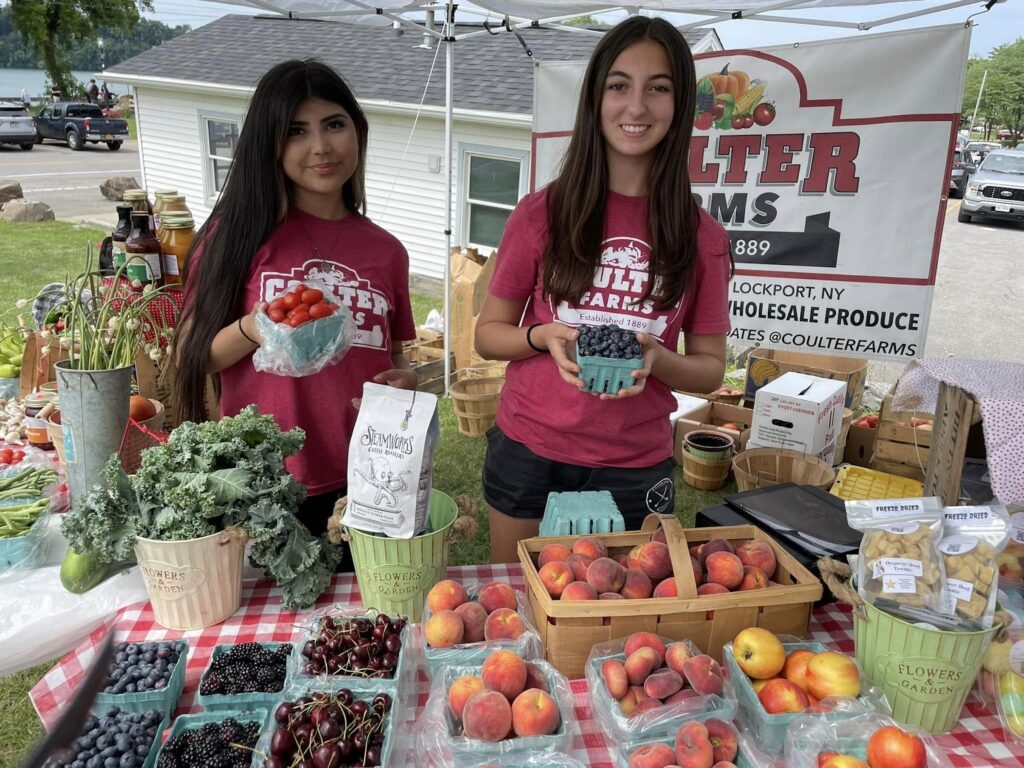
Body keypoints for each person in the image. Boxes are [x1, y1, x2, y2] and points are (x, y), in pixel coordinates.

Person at [474, 16, 733, 563]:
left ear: (679, 103)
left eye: (657, 88)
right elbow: (488, 335)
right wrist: (542, 335)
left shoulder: (702, 237)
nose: (636, 107)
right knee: (517, 602)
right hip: (529, 444)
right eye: (619, 86)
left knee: (610, 623)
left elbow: (711, 370)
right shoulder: (541, 213)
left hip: (634, 460)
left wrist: (656, 359)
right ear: (595, 99)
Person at [173, 59, 418, 556]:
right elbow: (188, 355)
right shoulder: (237, 236)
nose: (321, 146)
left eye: (334, 124)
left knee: (363, 625)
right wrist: (254, 326)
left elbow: (394, 354)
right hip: (264, 484)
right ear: (270, 143)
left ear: (357, 130)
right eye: (296, 131)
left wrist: (406, 379)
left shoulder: (387, 251)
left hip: (370, 480)